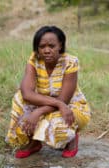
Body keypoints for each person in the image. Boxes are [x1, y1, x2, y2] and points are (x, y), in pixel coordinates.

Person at [6, 26, 91, 158]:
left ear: (60, 45)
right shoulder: (34, 60)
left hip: (70, 107)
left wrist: (38, 112)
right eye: (42, 46)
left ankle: (72, 138)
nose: (46, 50)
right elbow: (26, 93)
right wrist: (50, 106)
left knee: (58, 123)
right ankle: (34, 143)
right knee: (19, 99)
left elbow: (64, 100)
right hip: (48, 103)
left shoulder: (70, 62)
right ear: (37, 48)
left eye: (51, 46)